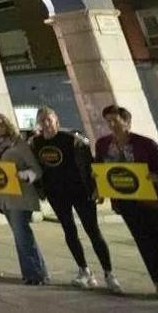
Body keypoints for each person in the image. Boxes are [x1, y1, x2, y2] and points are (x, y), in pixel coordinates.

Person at [95, 106, 158, 300]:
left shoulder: (145, 144)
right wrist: (100, 187)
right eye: (108, 121)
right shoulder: (103, 145)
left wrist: (157, 176)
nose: (111, 125)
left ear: (127, 122)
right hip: (130, 205)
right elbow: (100, 169)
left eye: (115, 120)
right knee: (147, 245)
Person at [29, 106, 118, 291]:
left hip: (80, 191)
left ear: (56, 120)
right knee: (69, 231)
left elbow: (90, 159)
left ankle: (109, 273)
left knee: (93, 231)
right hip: (56, 194)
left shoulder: (73, 137)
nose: (46, 123)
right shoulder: (35, 143)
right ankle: (84, 271)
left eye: (49, 119)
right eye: (42, 120)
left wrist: (96, 188)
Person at [0, 113, 47, 285]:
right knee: (20, 235)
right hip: (4, 197)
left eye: (0, 123)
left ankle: (35, 274)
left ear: (7, 124)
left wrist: (23, 175)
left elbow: (36, 169)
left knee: (22, 235)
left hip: (21, 194)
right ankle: (34, 272)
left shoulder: (18, 143)